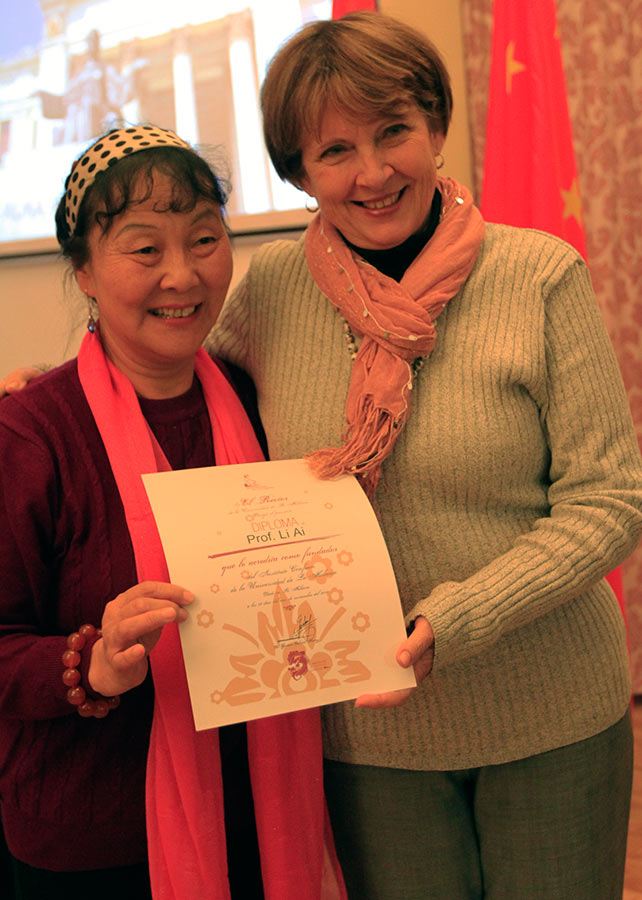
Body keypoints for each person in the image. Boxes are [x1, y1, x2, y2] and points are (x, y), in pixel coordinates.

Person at [3, 13, 642, 900]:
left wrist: (456, 620)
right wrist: (50, 387)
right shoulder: (270, 294)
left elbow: (610, 502)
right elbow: (162, 370)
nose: (373, 172)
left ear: (436, 131)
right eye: (336, 149)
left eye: (394, 133)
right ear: (299, 172)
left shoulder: (538, 277)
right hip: (365, 736)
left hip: (546, 708)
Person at [0, 125, 345, 900]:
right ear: (84, 271)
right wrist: (88, 665)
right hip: (94, 839)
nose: (183, 274)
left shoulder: (258, 403)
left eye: (204, 239)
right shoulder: (31, 433)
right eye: (144, 249)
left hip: (260, 812)